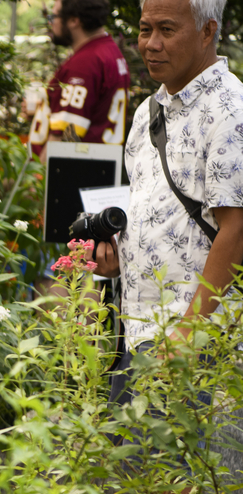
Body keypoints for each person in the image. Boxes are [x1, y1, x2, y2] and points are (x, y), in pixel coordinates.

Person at [93, 0, 243, 402]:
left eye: (167, 30)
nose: (151, 44)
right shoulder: (148, 112)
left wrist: (188, 333)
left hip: (197, 344)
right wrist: (118, 258)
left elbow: (238, 229)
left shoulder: (231, 111)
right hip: (138, 336)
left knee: (178, 464)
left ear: (208, 32)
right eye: (145, 30)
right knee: (129, 465)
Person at [29, 0, 131, 157]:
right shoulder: (111, 51)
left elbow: (64, 138)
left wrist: (35, 180)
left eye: (54, 16)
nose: (51, 23)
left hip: (74, 173)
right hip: (101, 166)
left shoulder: (84, 64)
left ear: (73, 20)